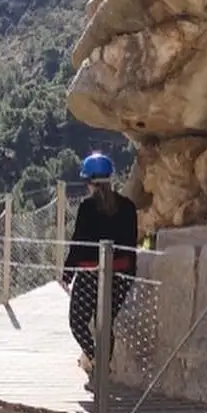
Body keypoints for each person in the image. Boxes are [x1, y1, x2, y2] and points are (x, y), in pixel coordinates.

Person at [60, 153, 138, 378]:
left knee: (77, 321)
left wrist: (67, 274)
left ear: (89, 182)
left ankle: (95, 359)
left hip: (90, 274)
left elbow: (79, 244)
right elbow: (131, 244)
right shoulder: (128, 207)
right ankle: (104, 365)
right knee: (105, 323)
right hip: (121, 274)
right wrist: (130, 274)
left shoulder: (87, 208)